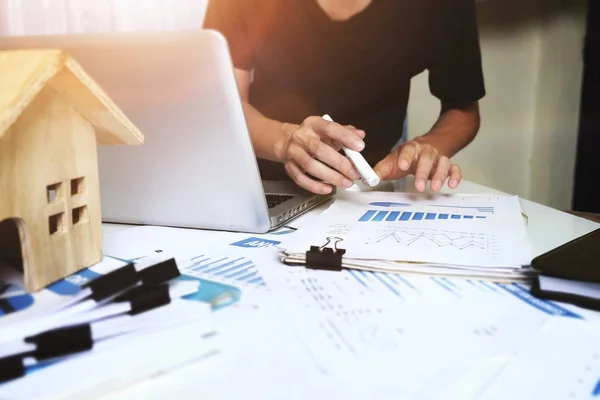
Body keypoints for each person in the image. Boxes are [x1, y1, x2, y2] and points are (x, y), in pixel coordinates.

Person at [203, 0, 485, 194]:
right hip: (263, 184)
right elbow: (222, 104)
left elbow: (462, 109)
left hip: (372, 192)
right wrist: (284, 139)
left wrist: (427, 147)